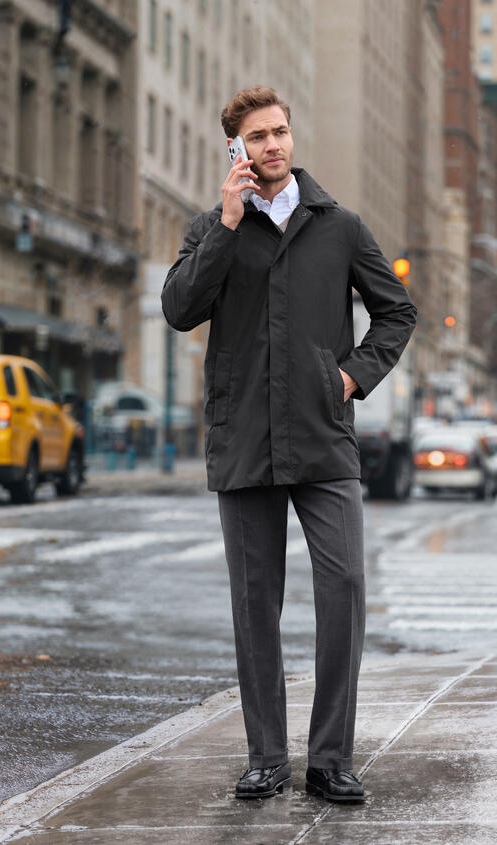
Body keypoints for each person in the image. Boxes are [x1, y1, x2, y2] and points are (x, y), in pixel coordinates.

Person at [162, 86, 417, 803]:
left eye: (280, 132)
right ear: (236, 149)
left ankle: (329, 757)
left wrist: (350, 377)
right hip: (243, 439)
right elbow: (180, 308)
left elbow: (396, 312)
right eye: (258, 137)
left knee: (344, 590)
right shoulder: (212, 226)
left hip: (322, 438)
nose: (273, 145)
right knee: (254, 604)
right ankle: (266, 756)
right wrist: (226, 223)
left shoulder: (339, 227)